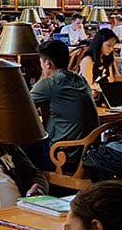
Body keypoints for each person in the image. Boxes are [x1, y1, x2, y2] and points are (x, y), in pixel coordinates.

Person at [31, 40, 99, 172]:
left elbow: (21, 108)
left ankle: (34, 188)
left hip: (62, 156)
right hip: (87, 154)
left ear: (48, 63)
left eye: (41, 63)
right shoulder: (80, 79)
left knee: (19, 150)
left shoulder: (49, 84)